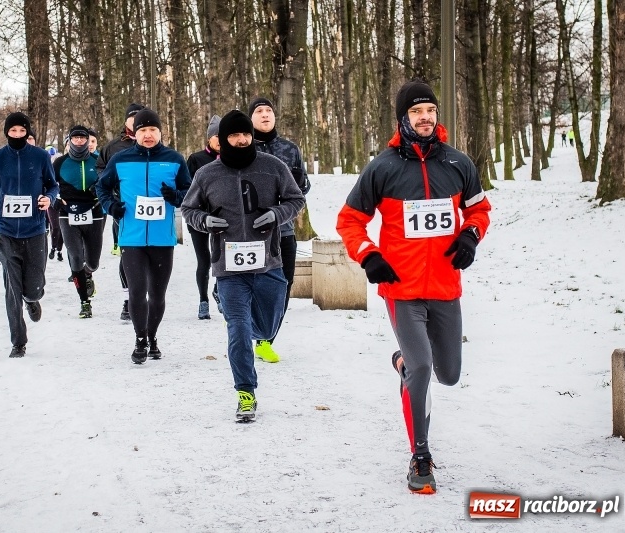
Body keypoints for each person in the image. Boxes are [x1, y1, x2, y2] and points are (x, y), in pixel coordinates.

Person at [336, 79, 492, 494]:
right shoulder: (383, 167)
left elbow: (479, 210)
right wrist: (369, 255)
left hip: (444, 285)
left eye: (430, 111)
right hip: (400, 287)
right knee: (423, 368)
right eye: (416, 111)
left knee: (449, 374)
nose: (425, 118)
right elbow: (350, 220)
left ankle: (404, 365)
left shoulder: (458, 163)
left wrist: (470, 235)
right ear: (403, 119)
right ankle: (420, 456)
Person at [182, 110, 305, 422]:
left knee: (266, 328)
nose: (241, 140)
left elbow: (296, 199)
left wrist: (276, 214)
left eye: (246, 134)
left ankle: (248, 322)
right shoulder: (207, 174)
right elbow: (188, 208)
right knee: (238, 328)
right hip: (228, 267)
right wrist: (204, 220)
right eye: (234, 135)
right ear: (223, 139)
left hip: (268, 263)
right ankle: (245, 393)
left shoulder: (273, 167)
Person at [96, 108, 191, 363]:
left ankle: (152, 336)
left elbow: (189, 191)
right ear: (134, 133)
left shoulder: (174, 159)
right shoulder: (121, 160)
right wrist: (111, 206)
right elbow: (102, 187)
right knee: (137, 292)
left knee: (157, 296)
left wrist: (176, 197)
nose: (148, 135)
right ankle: (140, 340)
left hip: (162, 239)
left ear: (160, 132)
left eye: (152, 130)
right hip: (132, 238)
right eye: (143, 130)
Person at [0, 111, 58, 358]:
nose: (18, 135)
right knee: (12, 289)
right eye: (13, 131)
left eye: (22, 131)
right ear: (6, 132)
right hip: (6, 233)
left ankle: (32, 299)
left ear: (27, 132)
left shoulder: (40, 157)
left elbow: (52, 186)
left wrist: (48, 199)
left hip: (35, 231)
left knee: (33, 288)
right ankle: (18, 342)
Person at [248, 96, 311, 364]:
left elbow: (303, 188)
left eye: (269, 110)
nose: (265, 115)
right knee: (251, 283)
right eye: (259, 111)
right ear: (251, 118)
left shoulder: (289, 149)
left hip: (284, 230)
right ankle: (246, 326)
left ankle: (266, 340)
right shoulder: (244, 147)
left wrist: (296, 185)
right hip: (250, 232)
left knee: (284, 284)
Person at [97, 103, 144, 320]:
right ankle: (128, 300)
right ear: (126, 121)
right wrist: (112, 194)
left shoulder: (154, 143)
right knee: (128, 253)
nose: (136, 122)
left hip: (151, 208)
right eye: (132, 118)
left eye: (139, 117)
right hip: (124, 207)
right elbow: (100, 170)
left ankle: (145, 295)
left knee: (151, 254)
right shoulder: (113, 147)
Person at [53, 125, 105, 318]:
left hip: (94, 212)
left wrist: (99, 189)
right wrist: (55, 200)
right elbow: (47, 185)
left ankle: (87, 273)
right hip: (67, 213)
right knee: (75, 257)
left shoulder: (98, 161)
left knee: (93, 262)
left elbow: (109, 182)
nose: (80, 141)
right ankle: (84, 302)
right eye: (75, 138)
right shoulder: (60, 163)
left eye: (83, 138)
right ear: (69, 141)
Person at [185, 114, 221, 320]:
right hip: (199, 217)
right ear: (209, 138)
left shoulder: (230, 159)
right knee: (204, 260)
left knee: (221, 257)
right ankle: (203, 300)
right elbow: (187, 188)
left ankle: (219, 291)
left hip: (222, 217)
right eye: (216, 136)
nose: (220, 140)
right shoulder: (196, 159)